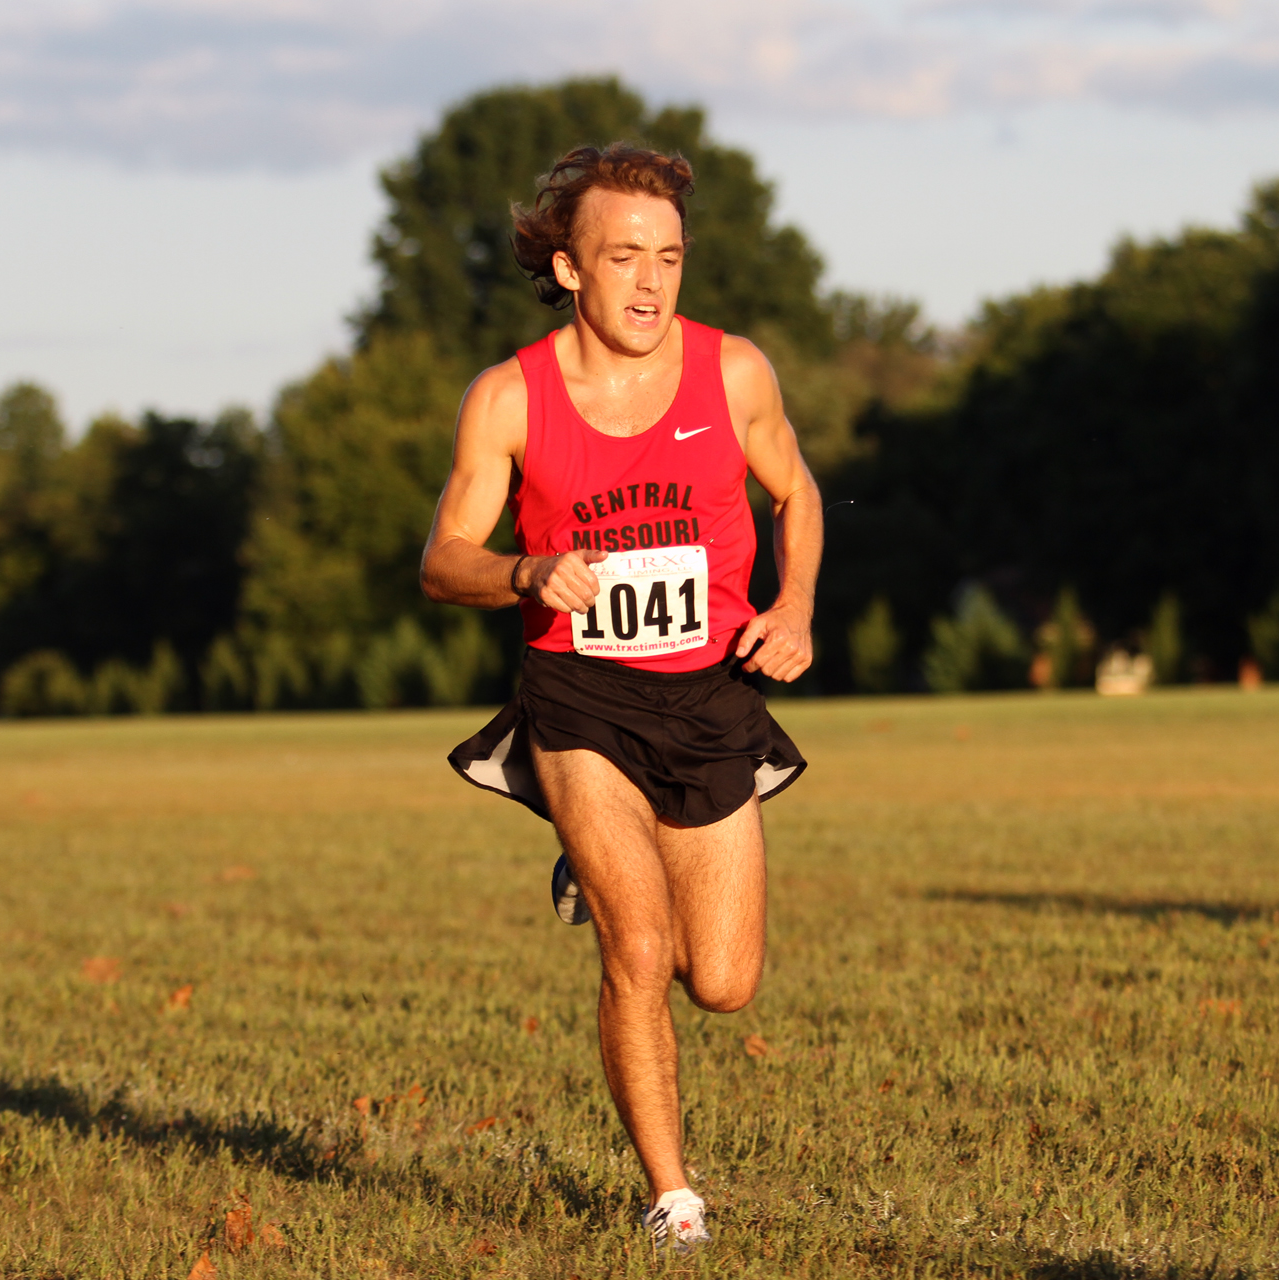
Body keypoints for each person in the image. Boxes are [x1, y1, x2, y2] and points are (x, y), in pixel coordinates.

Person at [420, 142, 823, 1254]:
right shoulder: (509, 397)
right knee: (637, 949)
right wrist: (521, 572)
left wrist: (792, 610)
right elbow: (442, 555)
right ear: (566, 267)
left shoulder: (734, 371)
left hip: (711, 698)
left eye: (671, 257)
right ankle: (672, 1196)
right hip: (579, 699)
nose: (651, 282)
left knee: (725, 981)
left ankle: (601, 865)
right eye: (624, 257)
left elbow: (797, 491)